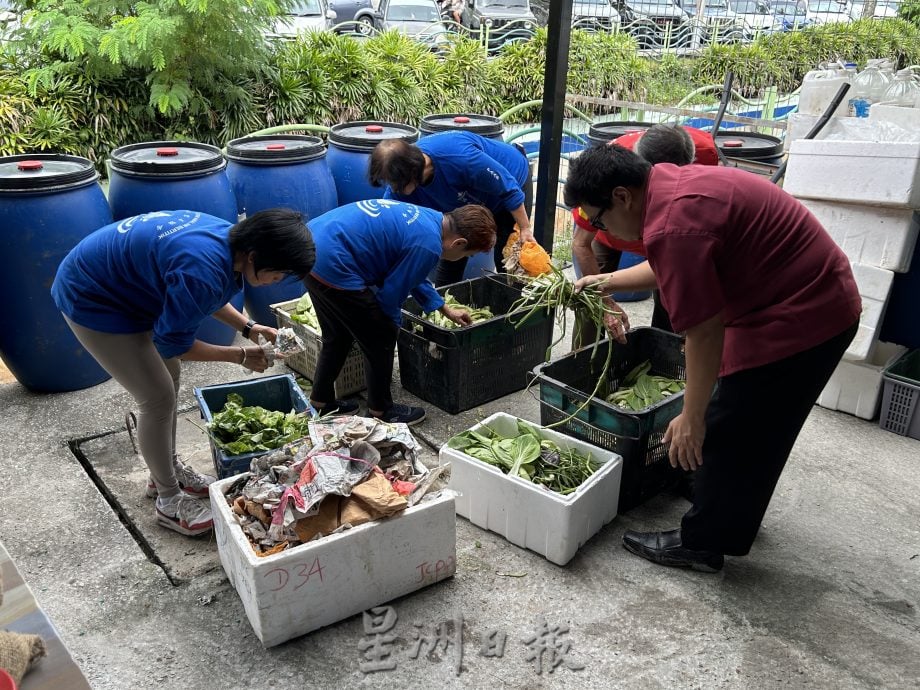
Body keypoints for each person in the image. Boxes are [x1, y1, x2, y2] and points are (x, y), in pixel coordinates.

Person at [565, 145, 861, 572]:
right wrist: (605, 280)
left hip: (804, 316)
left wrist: (691, 416)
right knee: (754, 427)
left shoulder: (672, 225)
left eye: (598, 218)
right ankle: (729, 507)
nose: (599, 228)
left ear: (622, 196)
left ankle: (702, 543)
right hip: (806, 297)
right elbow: (669, 263)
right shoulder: (668, 185)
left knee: (728, 422)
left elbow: (704, 331)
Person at [51, 209, 315, 537]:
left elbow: (203, 295)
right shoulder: (203, 266)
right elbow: (174, 343)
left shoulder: (227, 241)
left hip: (121, 284)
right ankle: (168, 500)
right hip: (93, 297)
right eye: (279, 272)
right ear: (254, 256)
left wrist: (250, 328)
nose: (279, 280)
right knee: (157, 397)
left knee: (169, 376)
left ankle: (165, 468)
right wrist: (241, 355)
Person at [304, 199, 497, 425]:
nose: (465, 259)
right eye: (468, 254)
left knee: (337, 335)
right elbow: (390, 297)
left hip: (309, 248)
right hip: (334, 262)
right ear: (459, 243)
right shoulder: (429, 245)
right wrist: (388, 328)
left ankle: (321, 400)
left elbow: (410, 272)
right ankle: (381, 410)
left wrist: (444, 309)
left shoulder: (432, 218)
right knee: (381, 335)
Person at [571, 124, 719, 347]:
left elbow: (679, 270)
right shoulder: (603, 176)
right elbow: (582, 245)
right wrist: (606, 304)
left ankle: (660, 356)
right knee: (591, 301)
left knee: (672, 301)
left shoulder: (704, 153)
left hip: (662, 238)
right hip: (608, 231)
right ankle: (580, 366)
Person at [368, 131, 532, 286]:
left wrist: (524, 228)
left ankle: (512, 311)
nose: (393, 189)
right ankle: (445, 307)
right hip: (466, 204)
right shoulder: (402, 181)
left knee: (507, 260)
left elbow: (509, 189)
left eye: (394, 184)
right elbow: (387, 218)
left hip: (509, 187)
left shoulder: (460, 158)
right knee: (452, 252)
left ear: (412, 173)